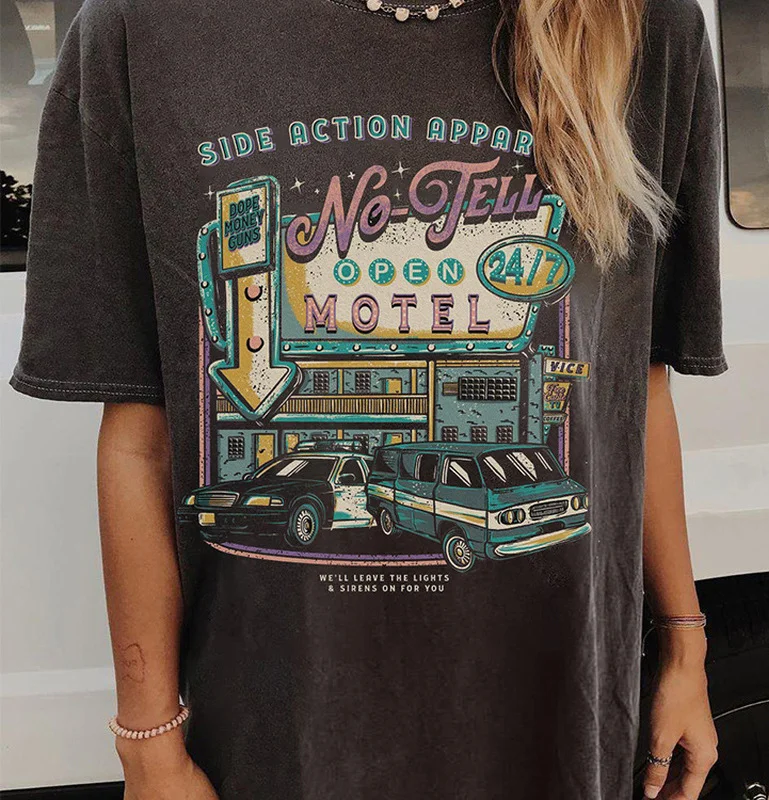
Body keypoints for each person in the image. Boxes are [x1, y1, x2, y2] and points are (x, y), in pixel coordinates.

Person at [11, 0, 727, 797]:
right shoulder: (142, 27)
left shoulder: (642, 26)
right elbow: (139, 436)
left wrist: (686, 647)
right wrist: (148, 749)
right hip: (273, 745)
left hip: (559, 728)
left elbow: (634, 388)